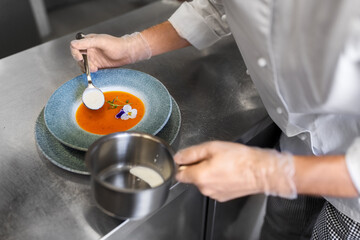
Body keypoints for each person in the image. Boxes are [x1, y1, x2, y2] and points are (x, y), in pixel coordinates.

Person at [70, 0, 360, 239]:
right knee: (279, 230)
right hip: (298, 138)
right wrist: (132, 47)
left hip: (352, 188)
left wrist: (264, 173)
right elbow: (215, 5)